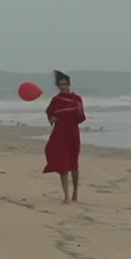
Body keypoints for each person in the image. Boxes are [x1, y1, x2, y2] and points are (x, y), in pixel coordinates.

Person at [42, 70, 86, 202]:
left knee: (74, 165)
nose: (63, 86)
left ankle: (75, 193)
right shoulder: (55, 100)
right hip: (59, 134)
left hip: (72, 134)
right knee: (63, 166)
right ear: (58, 85)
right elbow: (49, 113)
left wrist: (79, 111)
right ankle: (66, 197)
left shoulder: (77, 99)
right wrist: (51, 119)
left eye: (65, 83)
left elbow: (81, 118)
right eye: (61, 84)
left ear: (69, 84)